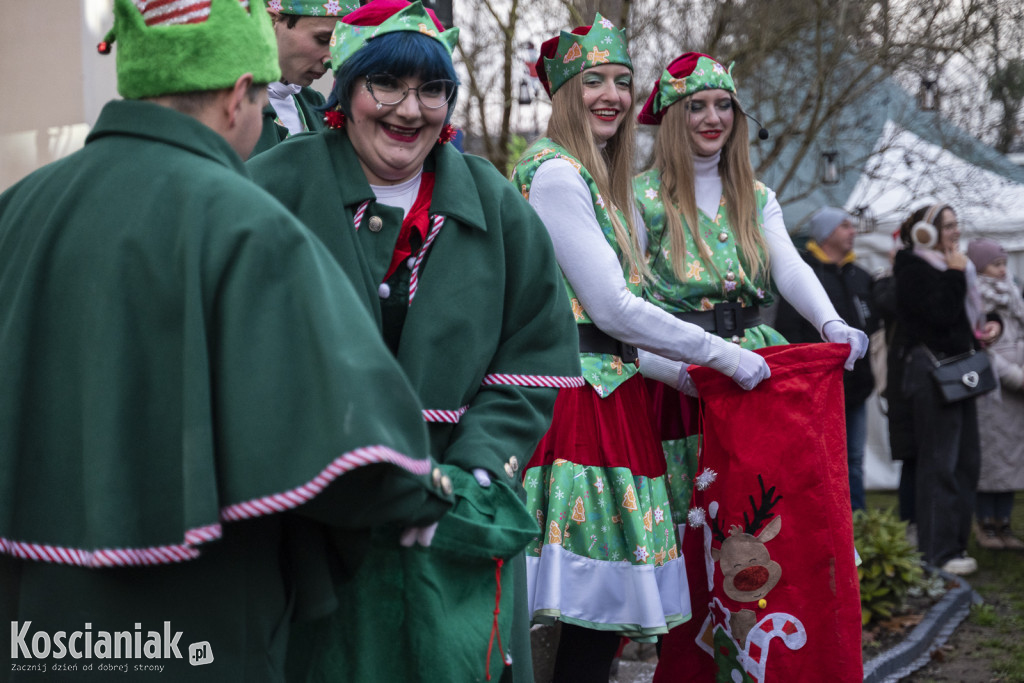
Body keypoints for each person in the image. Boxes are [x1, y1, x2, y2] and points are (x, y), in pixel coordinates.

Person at [0, 0, 451, 681]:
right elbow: (349, 443)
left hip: (30, 620)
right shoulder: (244, 220)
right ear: (238, 96)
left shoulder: (17, 207)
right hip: (193, 626)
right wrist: (420, 495)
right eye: (265, 92)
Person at [248, 2, 581, 680]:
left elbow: (532, 356)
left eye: (432, 89)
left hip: (457, 515)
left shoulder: (495, 203)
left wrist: (474, 473)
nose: (410, 109)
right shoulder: (270, 188)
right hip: (312, 523)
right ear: (346, 89)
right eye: (387, 85)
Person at [510, 30, 775, 683]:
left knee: (597, 615)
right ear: (565, 93)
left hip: (610, 397)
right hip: (572, 407)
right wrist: (724, 356)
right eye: (594, 81)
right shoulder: (554, 173)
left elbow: (614, 334)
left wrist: (683, 373)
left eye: (622, 81)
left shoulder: (599, 180)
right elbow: (610, 311)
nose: (612, 96)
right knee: (554, 610)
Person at [630, 53, 868, 682]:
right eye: (697, 106)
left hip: (753, 375)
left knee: (760, 533)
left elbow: (789, 267)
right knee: (693, 540)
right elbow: (620, 310)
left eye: (724, 105)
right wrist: (676, 370)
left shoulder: (755, 195)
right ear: (673, 119)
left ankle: (758, 667)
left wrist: (830, 324)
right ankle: (684, 665)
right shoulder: (639, 198)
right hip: (677, 379)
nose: (713, 118)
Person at [886, 203, 986, 575]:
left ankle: (955, 546)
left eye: (957, 224)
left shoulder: (951, 267)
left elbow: (961, 319)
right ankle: (937, 553)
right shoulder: (912, 267)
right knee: (939, 464)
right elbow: (940, 313)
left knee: (966, 462)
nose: (955, 232)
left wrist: (989, 326)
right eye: (947, 226)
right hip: (930, 376)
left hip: (959, 371)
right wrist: (957, 275)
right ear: (924, 233)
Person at [774, 207, 880, 511]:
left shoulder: (859, 275)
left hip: (856, 386)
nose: (853, 231)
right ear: (826, 233)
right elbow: (789, 330)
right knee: (818, 458)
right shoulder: (802, 274)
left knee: (854, 459)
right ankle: (823, 519)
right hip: (817, 388)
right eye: (845, 226)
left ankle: (857, 523)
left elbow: (871, 324)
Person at [967, 238, 1024, 550]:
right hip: (992, 390)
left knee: (1014, 459)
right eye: (996, 264)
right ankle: (985, 522)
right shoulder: (975, 297)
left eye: (1004, 264)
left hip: (1016, 395)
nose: (1003, 270)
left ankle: (1004, 522)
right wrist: (1015, 375)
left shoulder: (1014, 295)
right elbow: (982, 348)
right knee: (990, 459)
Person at [250, 0, 347, 155]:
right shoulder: (229, 105)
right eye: (323, 39)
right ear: (271, 22)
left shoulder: (315, 104)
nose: (331, 59)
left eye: (339, 45)